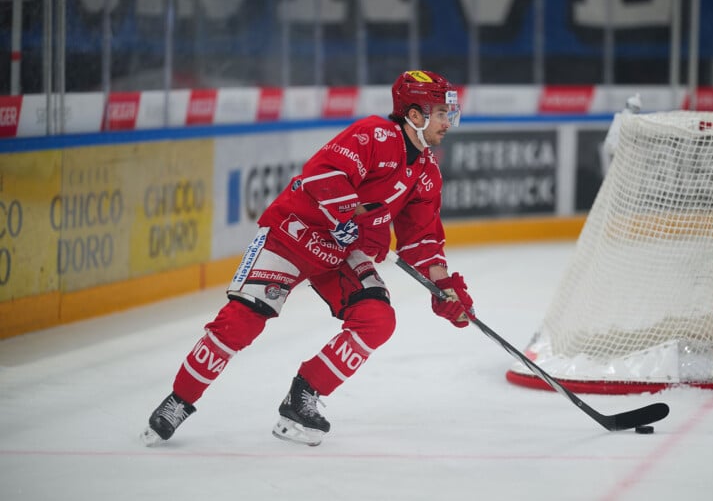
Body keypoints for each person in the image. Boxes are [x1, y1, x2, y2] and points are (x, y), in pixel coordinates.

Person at [141, 70, 476, 447]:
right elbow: (322, 175)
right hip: (294, 233)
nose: (448, 122)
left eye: (449, 113)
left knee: (377, 320)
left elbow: (423, 239)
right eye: (440, 113)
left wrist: (443, 286)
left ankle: (302, 396)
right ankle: (179, 400)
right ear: (415, 116)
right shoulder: (374, 135)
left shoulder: (426, 173)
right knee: (242, 322)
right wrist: (347, 213)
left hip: (342, 250)